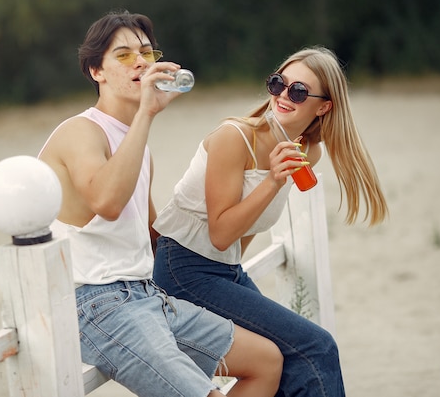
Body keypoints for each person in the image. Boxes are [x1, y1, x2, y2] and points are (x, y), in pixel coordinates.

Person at [37, 10, 283, 397]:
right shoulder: (79, 132)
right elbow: (108, 202)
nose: (139, 62)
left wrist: (227, 216)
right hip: (98, 303)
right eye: (123, 55)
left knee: (267, 361)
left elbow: (152, 237)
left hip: (148, 295)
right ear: (95, 72)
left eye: (147, 53)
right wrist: (147, 114)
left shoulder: (138, 146)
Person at [153, 46, 390, 397]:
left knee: (292, 356)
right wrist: (273, 181)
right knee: (317, 346)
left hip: (223, 271)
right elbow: (220, 233)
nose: (283, 96)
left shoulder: (307, 150)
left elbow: (240, 239)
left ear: (323, 106)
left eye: (298, 91)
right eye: (279, 83)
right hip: (183, 271)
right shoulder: (233, 138)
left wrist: (234, 279)